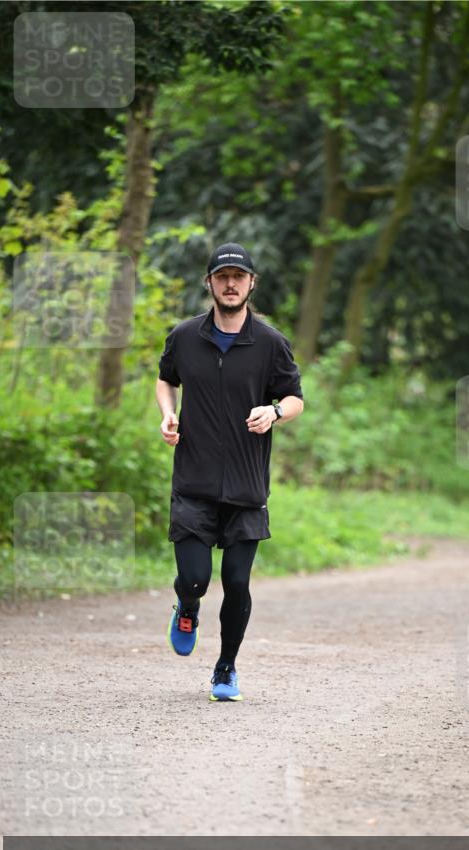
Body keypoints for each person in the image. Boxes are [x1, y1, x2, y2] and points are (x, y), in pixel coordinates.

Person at [156, 242, 304, 699]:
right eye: (222, 277)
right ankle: (187, 606)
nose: (231, 284)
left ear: (252, 283)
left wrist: (274, 412)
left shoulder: (271, 343)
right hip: (194, 482)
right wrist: (168, 413)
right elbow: (166, 379)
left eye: (239, 276)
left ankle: (225, 669)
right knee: (195, 579)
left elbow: (295, 398)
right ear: (210, 283)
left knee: (237, 582)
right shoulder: (184, 337)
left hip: (246, 485)